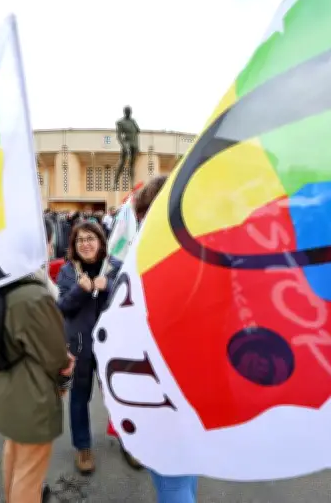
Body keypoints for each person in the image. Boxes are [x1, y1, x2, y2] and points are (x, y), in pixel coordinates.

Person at [0, 217, 74, 503]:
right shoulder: (34, 294)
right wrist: (66, 364)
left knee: (14, 453)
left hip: (5, 389)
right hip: (32, 395)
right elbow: (55, 353)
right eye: (48, 241)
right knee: (31, 471)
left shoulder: (1, 281)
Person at [134, 175, 199, 502]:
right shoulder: (201, 253)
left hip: (166, 391)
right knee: (184, 475)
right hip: (192, 392)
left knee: (173, 482)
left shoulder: (159, 263)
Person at [56, 221, 120, 475]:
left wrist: (109, 287)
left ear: (101, 242)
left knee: (117, 395)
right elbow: (62, 307)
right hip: (80, 346)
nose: (85, 244)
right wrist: (79, 291)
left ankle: (129, 440)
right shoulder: (67, 272)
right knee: (79, 397)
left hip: (111, 345)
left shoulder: (114, 267)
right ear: (74, 244)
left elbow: (127, 301)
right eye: (80, 239)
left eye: (90, 238)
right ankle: (83, 447)